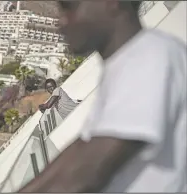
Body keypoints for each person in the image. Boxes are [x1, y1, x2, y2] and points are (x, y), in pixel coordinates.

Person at [20, 1, 186, 193]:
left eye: (69, 7)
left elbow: (86, 172)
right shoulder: (128, 63)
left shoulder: (149, 58)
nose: (61, 21)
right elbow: (80, 150)